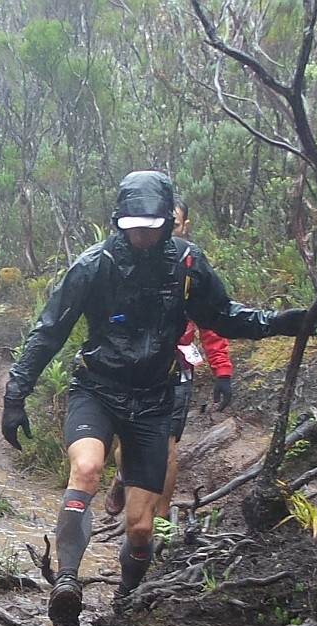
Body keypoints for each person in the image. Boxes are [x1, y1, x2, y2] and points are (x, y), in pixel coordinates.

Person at [1, 170, 314, 626]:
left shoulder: (187, 265)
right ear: (119, 222)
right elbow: (50, 330)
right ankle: (67, 581)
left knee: (142, 529)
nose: (142, 235)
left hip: (153, 400)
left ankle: (127, 600)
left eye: (151, 224)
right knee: (87, 469)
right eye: (132, 226)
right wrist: (15, 394)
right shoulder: (94, 265)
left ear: (169, 221)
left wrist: (278, 323)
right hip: (97, 389)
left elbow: (222, 317)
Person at [104, 197, 233, 519]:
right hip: (132, 368)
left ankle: (160, 523)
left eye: (171, 225)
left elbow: (214, 319)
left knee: (167, 445)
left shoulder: (191, 264)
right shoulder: (126, 260)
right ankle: (123, 475)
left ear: (183, 226)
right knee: (127, 447)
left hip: (177, 367)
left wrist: (223, 371)